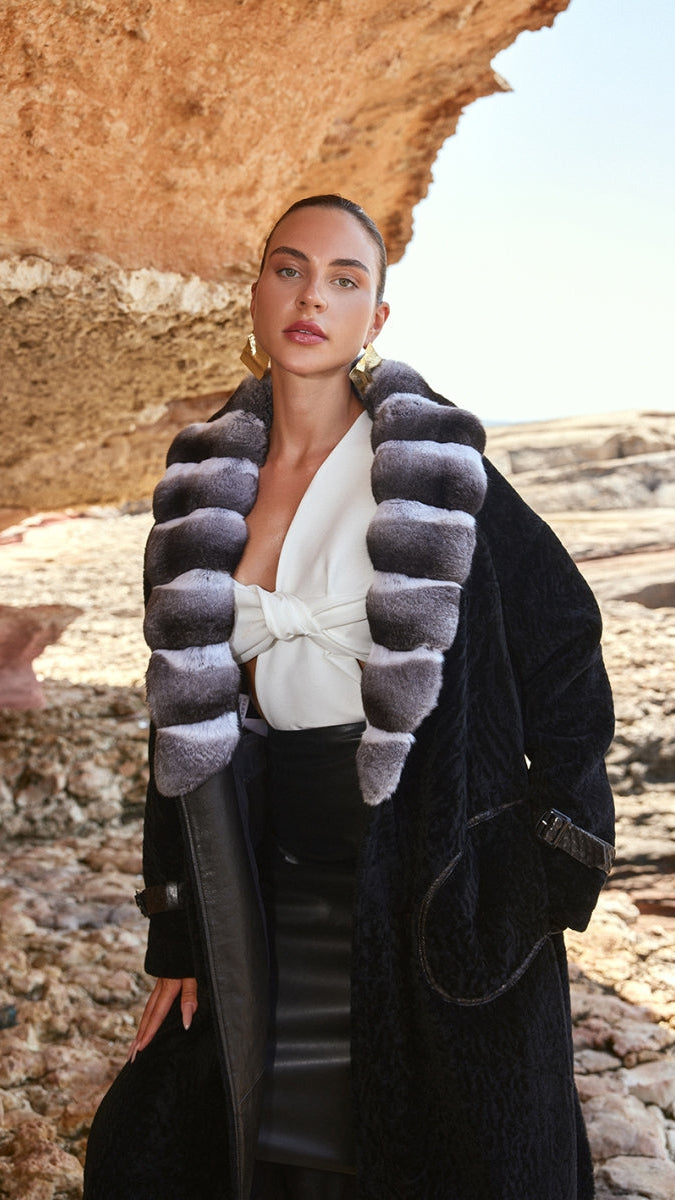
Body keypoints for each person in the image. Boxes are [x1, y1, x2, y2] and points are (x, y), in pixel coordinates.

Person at [84, 194, 615, 1200]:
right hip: (259, 848)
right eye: (288, 270)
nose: (310, 298)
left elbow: (567, 653)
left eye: (343, 279)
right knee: (259, 1146)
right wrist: (179, 929)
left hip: (418, 853)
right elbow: (180, 719)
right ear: (255, 293)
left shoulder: (436, 474)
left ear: (377, 317)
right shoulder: (198, 487)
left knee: (431, 1145)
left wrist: (546, 858)